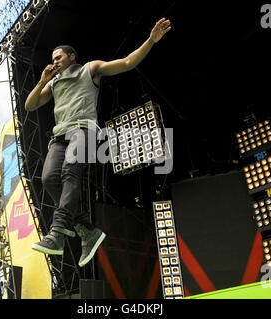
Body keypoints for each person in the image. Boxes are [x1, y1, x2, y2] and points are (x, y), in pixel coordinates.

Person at [26, 18, 172, 267]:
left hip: (84, 131)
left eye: (59, 57)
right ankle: (86, 229)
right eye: (53, 58)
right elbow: (30, 105)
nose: (55, 61)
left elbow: (127, 63)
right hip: (59, 137)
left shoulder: (89, 69)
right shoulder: (53, 83)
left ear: (72, 57)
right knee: (48, 179)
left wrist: (150, 41)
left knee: (70, 174)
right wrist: (41, 81)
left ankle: (57, 232)